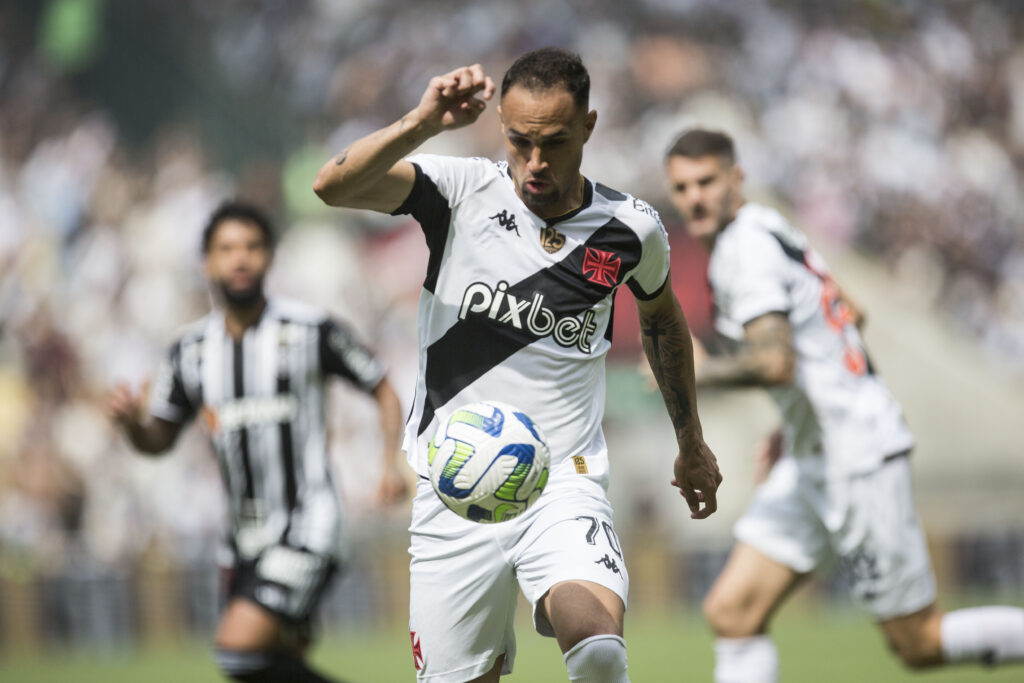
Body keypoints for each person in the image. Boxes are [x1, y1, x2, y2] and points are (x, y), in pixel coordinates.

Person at [314, 48, 722, 682]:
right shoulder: (460, 191)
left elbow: (663, 320)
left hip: (562, 479)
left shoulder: (629, 230)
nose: (534, 162)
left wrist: (690, 442)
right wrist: (423, 122)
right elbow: (332, 186)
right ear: (501, 123)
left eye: (554, 142)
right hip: (452, 488)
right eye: (519, 140)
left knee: (600, 655)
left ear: (588, 127)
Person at [663, 128, 1024, 682]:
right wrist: (797, 419)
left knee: (919, 642)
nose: (695, 198)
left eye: (707, 181)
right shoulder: (769, 227)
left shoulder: (743, 250)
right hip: (815, 454)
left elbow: (777, 362)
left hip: (856, 457)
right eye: (682, 186)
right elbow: (849, 311)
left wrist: (701, 372)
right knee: (732, 611)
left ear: (736, 180)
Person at [107, 201, 408, 683]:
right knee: (260, 669)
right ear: (207, 263)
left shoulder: (308, 329)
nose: (240, 259)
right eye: (227, 249)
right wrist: (130, 425)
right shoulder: (190, 352)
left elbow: (382, 385)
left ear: (269, 258)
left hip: (308, 525)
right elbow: (158, 439)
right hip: (242, 542)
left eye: (251, 247)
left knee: (238, 651)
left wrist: (390, 464)